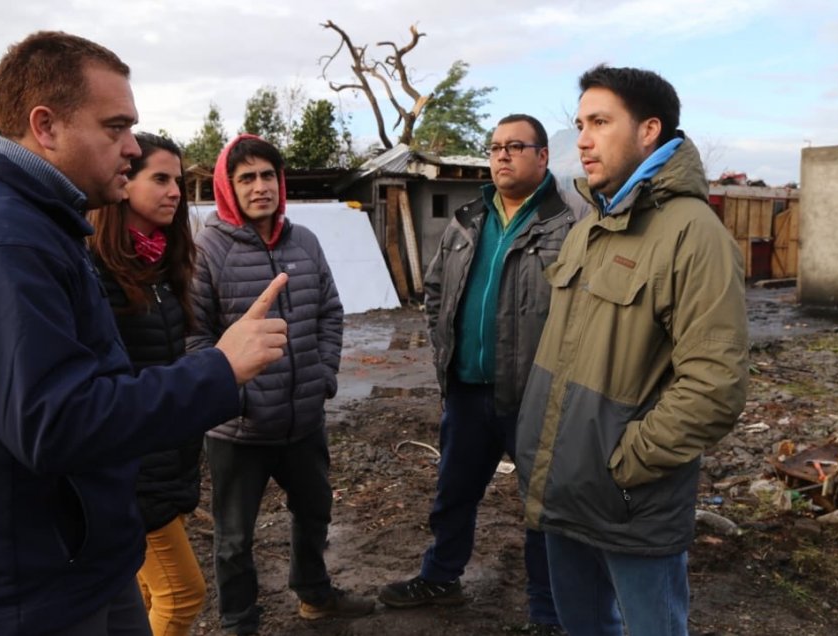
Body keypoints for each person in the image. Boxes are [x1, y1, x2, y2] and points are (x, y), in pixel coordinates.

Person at [0, 31, 288, 636]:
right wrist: (219, 369)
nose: (131, 148)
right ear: (45, 126)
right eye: (115, 127)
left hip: (71, 564)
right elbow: (58, 422)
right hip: (13, 600)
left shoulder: (36, 221)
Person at [514, 65, 749, 636]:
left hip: (630, 505)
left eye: (599, 122)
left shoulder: (694, 234)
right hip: (566, 493)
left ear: (649, 130)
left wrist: (625, 464)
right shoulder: (590, 226)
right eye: (579, 124)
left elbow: (715, 386)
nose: (583, 140)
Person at [378, 114, 574, 635]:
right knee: (454, 493)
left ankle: (547, 611)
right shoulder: (467, 219)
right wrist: (446, 351)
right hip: (466, 391)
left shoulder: (569, 224)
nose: (502, 156)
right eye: (495, 147)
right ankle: (441, 576)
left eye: (515, 146)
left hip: (534, 396)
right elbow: (436, 291)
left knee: (542, 508)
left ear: (543, 156)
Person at [188, 134, 372, 635]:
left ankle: (314, 595)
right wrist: (232, 393)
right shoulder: (208, 250)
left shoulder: (304, 241)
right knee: (232, 539)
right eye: (246, 177)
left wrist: (324, 376)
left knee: (315, 511)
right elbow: (194, 335)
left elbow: (330, 312)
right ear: (229, 187)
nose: (260, 186)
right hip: (238, 430)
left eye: (268, 175)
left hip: (304, 421)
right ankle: (239, 623)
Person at [87, 132, 206, 636]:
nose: (175, 191)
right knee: (182, 595)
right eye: (160, 179)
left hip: (165, 459)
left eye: (177, 181)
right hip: (133, 472)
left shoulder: (160, 265)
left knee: (145, 592)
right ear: (125, 184)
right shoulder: (95, 269)